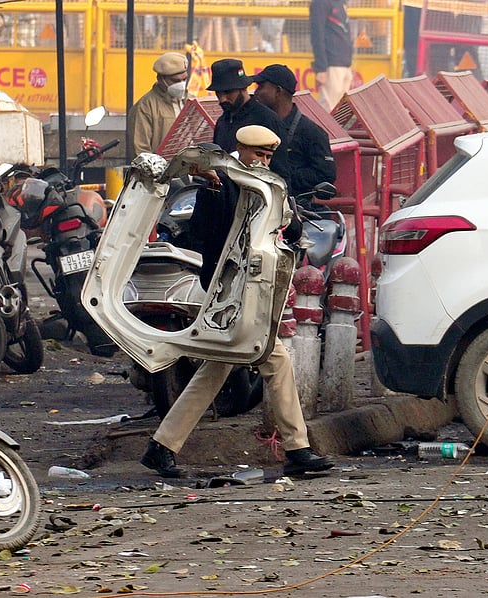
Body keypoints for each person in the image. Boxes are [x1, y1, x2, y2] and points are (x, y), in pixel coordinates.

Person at [140, 125, 334, 479]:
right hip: (227, 293)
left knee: (218, 368)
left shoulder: (268, 186)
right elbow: (204, 233)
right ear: (239, 150)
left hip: (249, 292)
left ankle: (162, 446)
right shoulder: (220, 183)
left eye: (267, 156)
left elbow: (289, 231)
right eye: (256, 154)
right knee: (274, 359)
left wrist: (287, 211)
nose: (261, 161)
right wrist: (214, 186)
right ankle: (297, 449)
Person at [252, 63, 337, 204]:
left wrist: (281, 175)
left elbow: (325, 174)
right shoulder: (257, 125)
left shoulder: (311, 132)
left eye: (261, 87)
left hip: (296, 208)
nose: (256, 93)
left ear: (278, 91)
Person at [208, 58, 285, 154]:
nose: (222, 99)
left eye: (228, 92)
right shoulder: (222, 122)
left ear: (243, 88)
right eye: (218, 93)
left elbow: (279, 166)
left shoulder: (266, 120)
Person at [126, 51, 189, 161]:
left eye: (184, 79)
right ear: (160, 79)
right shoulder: (145, 107)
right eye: (175, 81)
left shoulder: (187, 101)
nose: (181, 85)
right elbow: (140, 152)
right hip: (161, 174)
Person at [309, 0, 354, 112]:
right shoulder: (321, 3)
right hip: (332, 63)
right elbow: (317, 35)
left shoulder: (340, 3)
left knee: (341, 111)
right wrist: (321, 68)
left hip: (344, 63)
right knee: (328, 109)